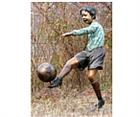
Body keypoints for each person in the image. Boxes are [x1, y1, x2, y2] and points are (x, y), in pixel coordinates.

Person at [48, 6, 106, 109]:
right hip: (88, 51)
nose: (83, 17)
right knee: (70, 63)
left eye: (85, 15)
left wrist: (71, 33)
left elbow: (85, 31)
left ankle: (100, 100)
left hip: (97, 52)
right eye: (82, 16)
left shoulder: (95, 26)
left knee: (91, 76)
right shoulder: (92, 26)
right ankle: (58, 80)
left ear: (92, 15)